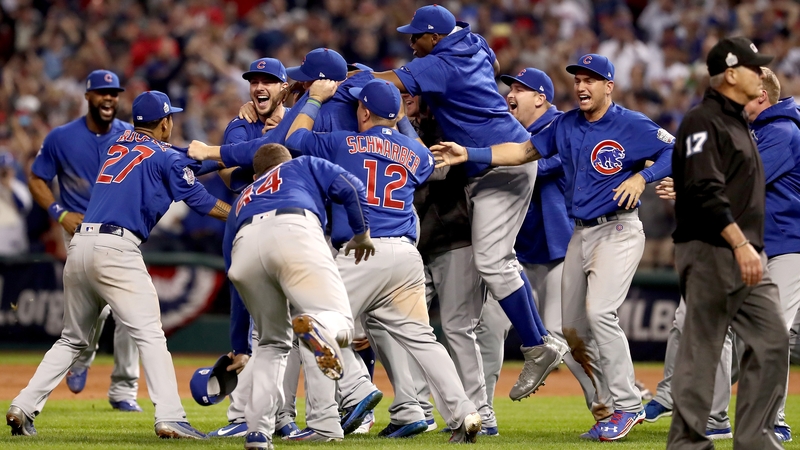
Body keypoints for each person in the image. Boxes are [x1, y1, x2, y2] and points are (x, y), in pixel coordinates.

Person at [433, 53, 673, 441]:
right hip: (578, 234)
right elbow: (523, 153)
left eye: (591, 79)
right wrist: (470, 154)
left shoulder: (629, 123)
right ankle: (607, 407)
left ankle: (628, 405)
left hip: (616, 230)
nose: (582, 85)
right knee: (573, 329)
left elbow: (673, 150)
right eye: (578, 78)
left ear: (608, 86)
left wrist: (643, 179)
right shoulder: (567, 125)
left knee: (600, 314)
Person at [7, 90, 230, 439]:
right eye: (171, 117)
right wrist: (240, 212)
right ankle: (170, 415)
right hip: (116, 248)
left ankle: (23, 405)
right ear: (166, 122)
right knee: (151, 335)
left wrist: (219, 159)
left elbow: (176, 159)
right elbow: (199, 199)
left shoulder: (119, 144)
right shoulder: (164, 156)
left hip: (80, 245)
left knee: (72, 339)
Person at [369, 3, 563, 400]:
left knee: (494, 260)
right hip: (494, 159)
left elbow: (387, 83)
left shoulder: (444, 63)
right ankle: (538, 341)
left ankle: (538, 343)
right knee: (496, 260)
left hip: (501, 162)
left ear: (436, 37)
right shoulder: (471, 45)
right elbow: (478, 47)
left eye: (417, 36)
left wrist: (345, 80)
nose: (411, 41)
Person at [284, 78, 482, 443]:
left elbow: (294, 142)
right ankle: (464, 412)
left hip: (363, 251)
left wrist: (313, 99)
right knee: (423, 340)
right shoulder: (416, 153)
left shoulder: (344, 142)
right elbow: (424, 158)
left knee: (312, 326)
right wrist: (401, 125)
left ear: (363, 110)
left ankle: (325, 422)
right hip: (406, 256)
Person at [650, 65, 800, 445]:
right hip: (746, 244)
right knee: (711, 324)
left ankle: (772, 418)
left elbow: (741, 187)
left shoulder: (781, 132)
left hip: (787, 247)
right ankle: (714, 417)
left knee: (770, 334)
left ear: (761, 95)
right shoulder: (752, 132)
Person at [225, 143, 375, 450]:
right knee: (340, 322)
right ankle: (321, 330)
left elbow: (233, 279)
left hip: (245, 245)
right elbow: (352, 186)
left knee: (270, 345)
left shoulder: (243, 197)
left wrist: (239, 344)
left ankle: (258, 433)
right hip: (294, 227)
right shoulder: (303, 164)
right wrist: (362, 234)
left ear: (256, 175)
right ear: (286, 161)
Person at [476, 67, 595, 412]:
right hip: (516, 252)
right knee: (488, 328)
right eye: (509, 87)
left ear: (541, 98)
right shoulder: (512, 133)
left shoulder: (562, 128)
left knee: (565, 335)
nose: (510, 94)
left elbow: (542, 166)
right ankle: (483, 412)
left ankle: (608, 405)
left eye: (519, 89)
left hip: (560, 250)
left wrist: (490, 161)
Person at [26, 70, 141, 412]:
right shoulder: (62, 137)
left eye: (114, 93)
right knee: (98, 311)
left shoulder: (129, 134)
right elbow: (37, 179)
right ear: (88, 97)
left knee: (129, 311)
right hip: (77, 228)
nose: (109, 98)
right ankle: (83, 357)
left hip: (120, 229)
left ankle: (123, 390)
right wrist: (60, 213)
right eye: (102, 92)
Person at [207, 57, 302, 440]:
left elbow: (299, 164)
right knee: (256, 328)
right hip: (251, 225)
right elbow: (231, 174)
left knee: (291, 330)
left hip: (292, 227)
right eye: (254, 81)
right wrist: (269, 144)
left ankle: (281, 415)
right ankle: (241, 414)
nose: (259, 87)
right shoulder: (239, 125)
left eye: (269, 81)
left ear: (283, 87)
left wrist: (265, 146)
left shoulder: (299, 119)